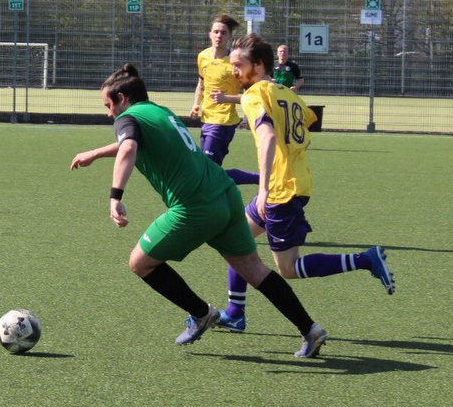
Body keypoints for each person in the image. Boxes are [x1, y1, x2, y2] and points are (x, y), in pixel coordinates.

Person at [69, 63, 328, 357]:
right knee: (254, 269)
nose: (109, 113)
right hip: (225, 195)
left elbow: (129, 147)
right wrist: (95, 153)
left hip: (195, 207)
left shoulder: (126, 118)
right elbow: (133, 142)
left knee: (140, 263)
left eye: (108, 105)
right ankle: (310, 329)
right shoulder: (160, 112)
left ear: (122, 99)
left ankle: (201, 313)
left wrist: (115, 196)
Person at [216, 33, 394, 332]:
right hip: (294, 181)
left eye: (239, 65)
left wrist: (264, 188)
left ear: (258, 65)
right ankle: (235, 312)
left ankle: (365, 259)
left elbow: (268, 136)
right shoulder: (287, 94)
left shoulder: (254, 95)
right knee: (234, 241)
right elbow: (307, 120)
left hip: (281, 191)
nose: (234, 71)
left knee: (288, 268)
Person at [194, 14, 258, 186]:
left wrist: (225, 98)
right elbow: (201, 83)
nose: (219, 36)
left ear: (229, 36)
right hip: (206, 119)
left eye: (223, 33)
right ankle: (264, 179)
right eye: (216, 32)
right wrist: (195, 104)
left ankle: (262, 179)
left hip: (223, 122)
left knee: (207, 171)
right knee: (208, 172)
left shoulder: (235, 62)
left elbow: (252, 96)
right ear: (209, 34)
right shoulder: (203, 56)